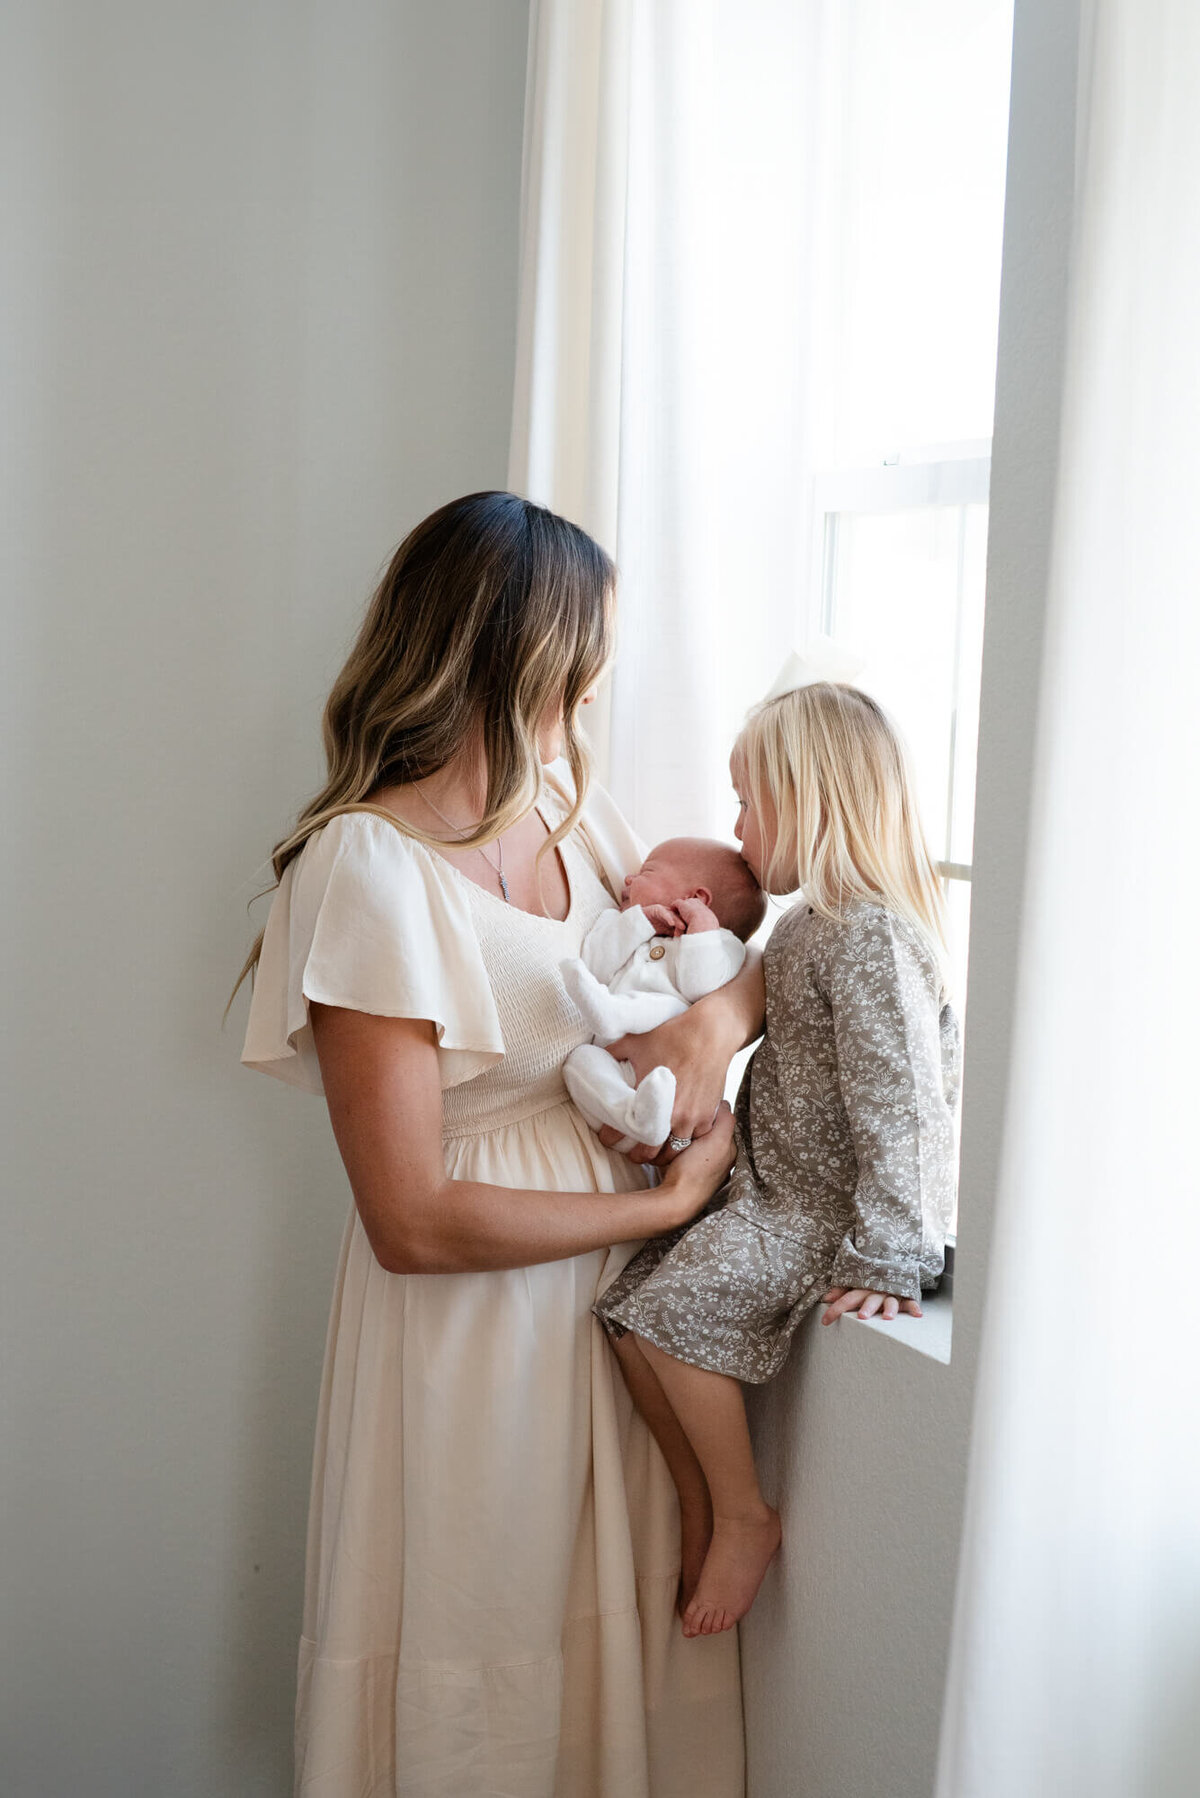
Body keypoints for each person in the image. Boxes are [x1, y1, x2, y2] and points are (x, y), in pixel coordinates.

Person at [228, 491, 762, 1798]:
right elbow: (411, 1217)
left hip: (618, 1330)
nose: (598, 688)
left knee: (612, 1660)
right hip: (474, 1330)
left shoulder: (586, 820)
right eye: (584, 658)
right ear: (520, 654)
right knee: (486, 1649)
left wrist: (710, 1030)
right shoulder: (368, 868)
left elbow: (747, 959)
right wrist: (655, 1211)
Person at [592, 676, 961, 1640]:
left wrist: (887, 1254)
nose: (740, 828)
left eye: (752, 804)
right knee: (625, 1314)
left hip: (818, 1215)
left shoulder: (872, 936)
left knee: (670, 1314)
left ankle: (744, 1514)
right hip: (765, 1194)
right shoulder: (803, 928)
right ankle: (703, 1503)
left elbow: (906, 1108)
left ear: (810, 802)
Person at [561, 837, 767, 1150]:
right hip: (621, 1100)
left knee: (667, 1004)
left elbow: (698, 985)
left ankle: (614, 1015)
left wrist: (700, 928)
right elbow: (595, 966)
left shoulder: (722, 946)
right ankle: (634, 1115)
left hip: (672, 1090)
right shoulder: (622, 924)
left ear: (697, 897)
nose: (629, 878)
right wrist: (640, 923)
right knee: (578, 1062)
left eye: (647, 872)